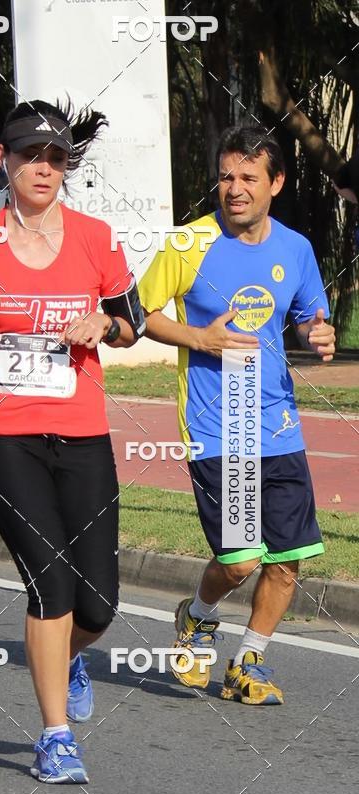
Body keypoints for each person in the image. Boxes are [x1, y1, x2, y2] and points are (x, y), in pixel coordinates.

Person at [0, 99, 145, 782]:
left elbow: (132, 323)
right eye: (30, 156)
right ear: (6, 160)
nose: (43, 168)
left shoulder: (95, 238)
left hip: (82, 434)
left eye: (55, 158)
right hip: (4, 436)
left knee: (99, 604)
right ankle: (55, 737)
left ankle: (68, 654)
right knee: (50, 584)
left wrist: (102, 328)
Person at [139, 125, 336, 705]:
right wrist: (198, 338)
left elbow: (306, 317)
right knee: (242, 559)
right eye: (227, 177)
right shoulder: (187, 244)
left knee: (288, 560)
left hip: (277, 422)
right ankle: (197, 616)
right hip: (214, 424)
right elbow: (138, 313)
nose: (235, 189)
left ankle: (248, 662)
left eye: (249, 178)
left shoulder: (295, 249)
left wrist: (317, 334)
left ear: (275, 183)